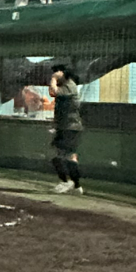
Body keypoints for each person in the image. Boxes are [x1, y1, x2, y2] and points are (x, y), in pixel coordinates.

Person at [48, 65, 83, 194]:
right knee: (60, 155)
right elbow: (52, 93)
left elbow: (54, 91)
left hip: (71, 127)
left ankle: (69, 183)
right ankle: (74, 185)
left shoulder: (70, 85)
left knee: (67, 155)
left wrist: (54, 79)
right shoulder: (64, 85)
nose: (55, 74)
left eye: (57, 72)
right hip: (63, 126)